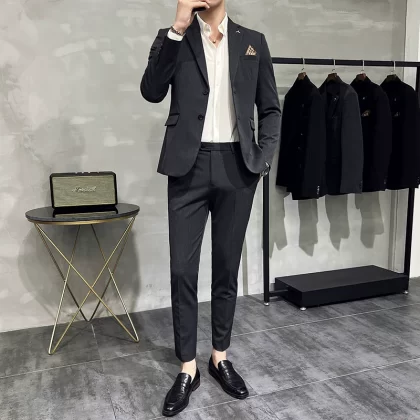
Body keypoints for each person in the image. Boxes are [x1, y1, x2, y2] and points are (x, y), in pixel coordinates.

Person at [141, 0, 281, 416]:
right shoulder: (174, 38)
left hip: (237, 167)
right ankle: (188, 367)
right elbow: (151, 91)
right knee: (182, 271)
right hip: (188, 166)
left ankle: (220, 356)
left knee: (226, 266)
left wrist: (262, 159)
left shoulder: (253, 42)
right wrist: (178, 26)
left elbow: (270, 108)